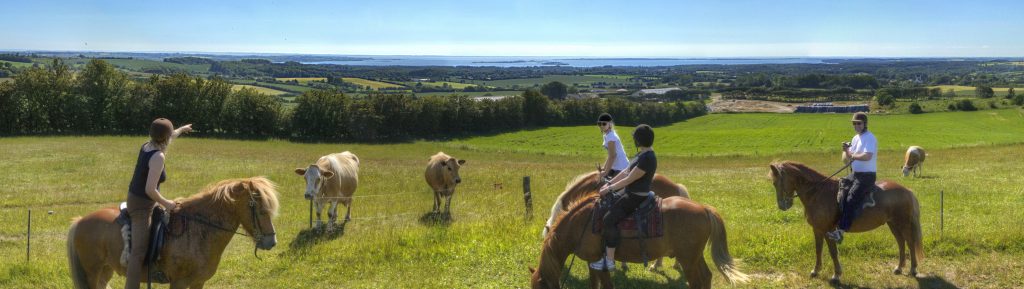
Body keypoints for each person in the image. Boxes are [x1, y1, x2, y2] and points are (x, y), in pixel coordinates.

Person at [125, 118, 192, 289]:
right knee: (138, 253)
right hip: (141, 206)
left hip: (145, 200)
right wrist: (167, 203)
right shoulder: (157, 156)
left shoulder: (148, 144)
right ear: (165, 137)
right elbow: (150, 189)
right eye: (169, 135)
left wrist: (182, 129)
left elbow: (171, 136)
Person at [590, 124, 657, 271]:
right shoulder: (642, 155)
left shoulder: (648, 159)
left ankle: (610, 262)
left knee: (608, 219)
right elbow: (626, 171)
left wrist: (609, 189)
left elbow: (629, 180)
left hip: (635, 196)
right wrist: (608, 183)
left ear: (638, 140)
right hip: (629, 192)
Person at [827, 112, 877, 244]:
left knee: (851, 198)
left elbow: (867, 156)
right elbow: (846, 160)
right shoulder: (855, 138)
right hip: (855, 174)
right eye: (854, 123)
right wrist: (845, 151)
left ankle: (841, 231)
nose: (856, 125)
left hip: (867, 176)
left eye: (858, 123)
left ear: (865, 124)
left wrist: (852, 154)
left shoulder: (869, 138)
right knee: (839, 189)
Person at [597, 113, 629, 182]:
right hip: (615, 166)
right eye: (599, 124)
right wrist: (604, 168)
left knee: (611, 188)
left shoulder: (611, 137)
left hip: (621, 167)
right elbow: (610, 155)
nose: (601, 126)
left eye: (604, 124)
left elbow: (613, 156)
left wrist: (605, 172)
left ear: (610, 124)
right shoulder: (607, 135)